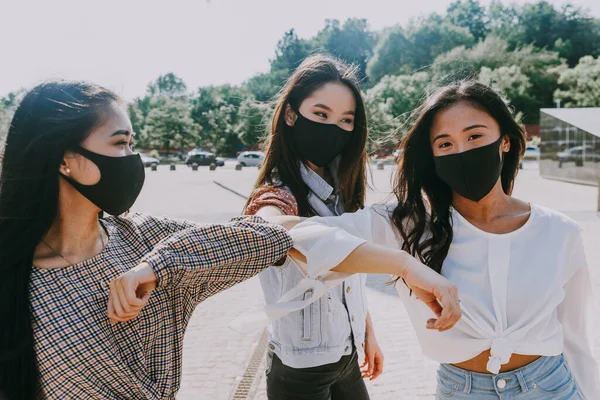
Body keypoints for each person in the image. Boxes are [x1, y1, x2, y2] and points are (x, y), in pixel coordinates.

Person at [277, 81, 600, 399]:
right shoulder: (405, 225)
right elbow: (291, 234)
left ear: (505, 141)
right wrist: (403, 264)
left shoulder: (560, 232)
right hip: (461, 391)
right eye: (445, 144)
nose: (462, 151)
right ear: (431, 156)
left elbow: (574, 337)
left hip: (551, 387)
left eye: (475, 136)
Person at [0, 80, 294, 400]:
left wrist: (159, 266)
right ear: (64, 159)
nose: (133, 158)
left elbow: (269, 238)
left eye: (132, 143)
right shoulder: (15, 277)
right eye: (120, 143)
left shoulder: (144, 239)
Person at [243, 54, 381, 400]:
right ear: (291, 114)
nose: (333, 128)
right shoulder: (277, 193)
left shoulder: (341, 190)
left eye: (346, 120)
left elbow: (347, 277)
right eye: (321, 114)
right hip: (299, 370)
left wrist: (367, 331)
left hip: (346, 353)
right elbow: (269, 223)